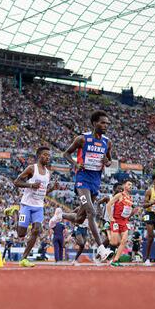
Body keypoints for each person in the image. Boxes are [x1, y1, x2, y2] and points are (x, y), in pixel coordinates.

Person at [61, 111, 115, 262]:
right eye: (103, 123)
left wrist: (107, 162)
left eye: (107, 124)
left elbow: (110, 161)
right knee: (91, 211)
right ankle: (101, 249)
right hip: (82, 179)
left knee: (80, 218)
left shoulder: (107, 142)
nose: (105, 126)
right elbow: (65, 154)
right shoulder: (82, 139)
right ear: (94, 123)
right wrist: (75, 164)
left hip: (95, 180)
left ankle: (61, 215)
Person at [13, 146, 57, 267]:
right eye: (45, 155)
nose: (47, 157)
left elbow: (43, 192)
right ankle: (15, 213)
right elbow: (16, 182)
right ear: (39, 156)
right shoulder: (32, 168)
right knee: (21, 234)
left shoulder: (48, 173)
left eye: (49, 155)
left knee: (36, 229)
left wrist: (52, 189)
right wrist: (31, 185)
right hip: (26, 205)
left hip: (38, 206)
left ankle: (24, 258)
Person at [107, 180, 137, 264]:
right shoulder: (120, 195)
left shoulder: (130, 198)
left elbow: (127, 212)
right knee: (115, 242)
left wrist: (132, 213)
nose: (131, 186)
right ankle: (106, 253)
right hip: (116, 221)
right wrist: (110, 217)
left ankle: (115, 260)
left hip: (124, 221)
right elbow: (108, 204)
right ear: (124, 186)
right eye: (129, 184)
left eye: (131, 184)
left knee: (124, 240)